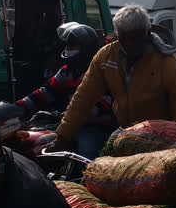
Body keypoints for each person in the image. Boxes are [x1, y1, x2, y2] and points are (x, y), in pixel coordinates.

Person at [54, 5, 176, 149]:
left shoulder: (167, 63)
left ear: (147, 32)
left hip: (160, 136)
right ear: (118, 35)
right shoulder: (105, 57)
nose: (131, 44)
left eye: (136, 37)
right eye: (126, 38)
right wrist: (62, 136)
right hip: (125, 129)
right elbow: (83, 98)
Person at [14, 23, 112, 159]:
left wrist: (72, 113)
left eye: (73, 46)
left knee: (86, 153)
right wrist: (18, 106)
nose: (68, 50)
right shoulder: (66, 72)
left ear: (86, 49)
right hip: (69, 123)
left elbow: (104, 102)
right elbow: (46, 92)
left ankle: (84, 179)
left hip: (94, 127)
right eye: (67, 46)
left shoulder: (100, 72)